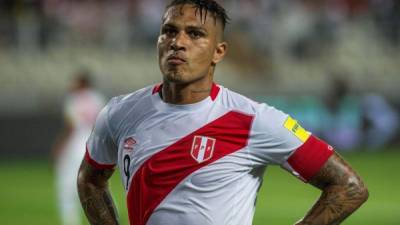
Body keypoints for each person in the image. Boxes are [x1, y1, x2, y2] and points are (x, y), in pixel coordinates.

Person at [77, 1, 368, 225]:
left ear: (219, 51)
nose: (178, 42)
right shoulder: (120, 112)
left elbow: (349, 186)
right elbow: (90, 178)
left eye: (195, 34)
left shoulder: (254, 121)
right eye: (169, 31)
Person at [52, 70, 106, 225]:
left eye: (75, 81)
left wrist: (58, 146)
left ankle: (70, 222)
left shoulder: (73, 99)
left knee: (67, 188)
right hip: (92, 146)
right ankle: (107, 219)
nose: (72, 84)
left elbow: (71, 127)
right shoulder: (97, 98)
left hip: (75, 146)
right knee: (96, 186)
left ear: (82, 83)